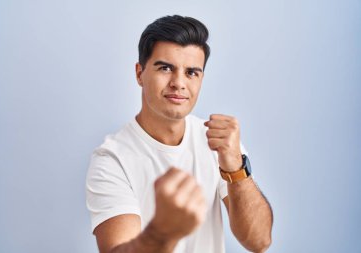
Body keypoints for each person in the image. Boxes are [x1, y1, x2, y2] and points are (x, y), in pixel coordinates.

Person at [86, 15, 273, 253]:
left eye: (192, 72)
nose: (179, 83)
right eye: (165, 68)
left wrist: (236, 169)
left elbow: (259, 241)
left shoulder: (218, 143)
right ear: (139, 74)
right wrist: (162, 232)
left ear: (201, 79)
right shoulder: (112, 159)